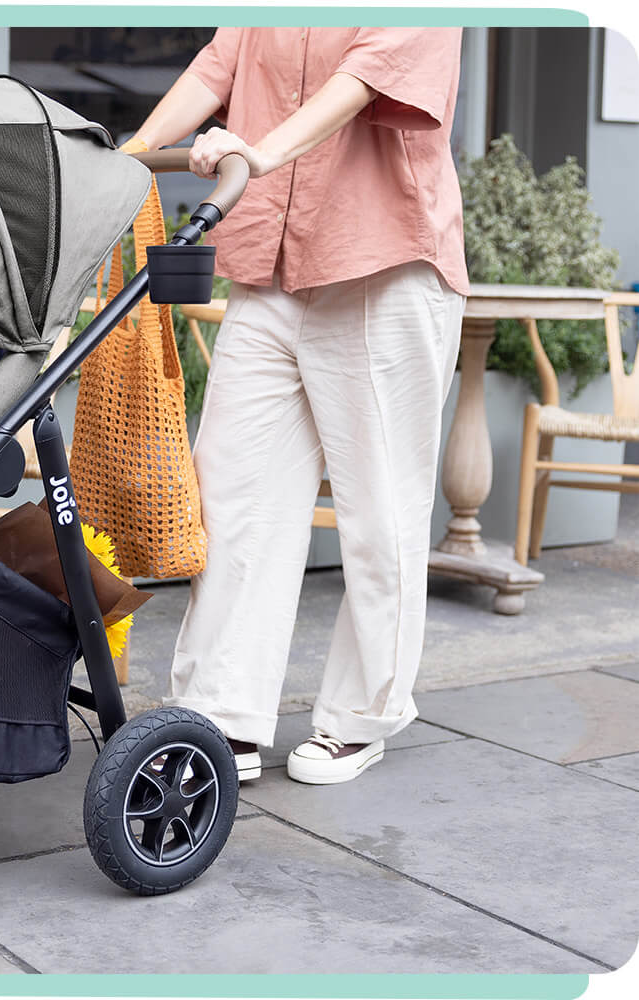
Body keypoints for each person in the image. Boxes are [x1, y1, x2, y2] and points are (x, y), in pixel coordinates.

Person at [128, 28, 469, 784]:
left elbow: (361, 80)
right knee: (233, 495)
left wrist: (260, 151)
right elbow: (220, 64)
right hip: (267, 268)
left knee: (380, 510)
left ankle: (361, 717)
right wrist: (136, 152)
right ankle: (221, 716)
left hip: (382, 266)